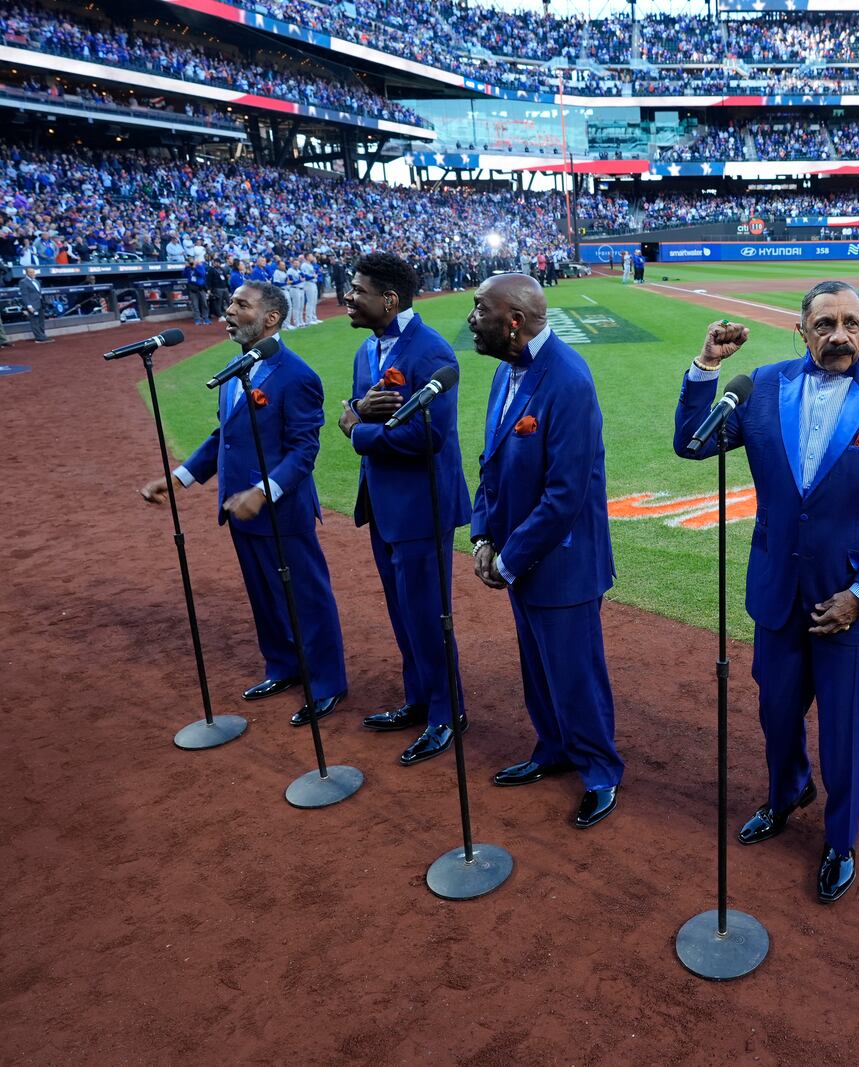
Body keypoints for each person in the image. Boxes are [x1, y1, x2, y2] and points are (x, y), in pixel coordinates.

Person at [673, 283, 859, 904]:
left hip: (849, 603)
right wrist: (707, 368)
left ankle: (840, 840)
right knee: (777, 713)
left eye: (851, 322)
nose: (838, 335)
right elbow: (692, 443)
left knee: (844, 731)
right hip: (778, 593)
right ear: (801, 328)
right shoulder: (760, 385)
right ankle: (788, 791)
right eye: (824, 323)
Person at [139, 281, 349, 726]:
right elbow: (225, 435)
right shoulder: (235, 366)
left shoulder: (298, 375)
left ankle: (327, 683)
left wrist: (264, 490)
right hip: (238, 507)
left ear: (271, 318)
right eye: (230, 303)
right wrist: (180, 478)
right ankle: (284, 667)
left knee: (305, 598)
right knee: (263, 596)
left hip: (280, 510)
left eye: (240, 305)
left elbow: (303, 452)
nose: (228, 310)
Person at [467, 273, 624, 830]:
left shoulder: (569, 380)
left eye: (480, 309)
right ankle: (553, 748)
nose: (471, 320)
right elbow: (490, 465)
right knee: (537, 668)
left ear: (513, 321)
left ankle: (600, 771)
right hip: (518, 554)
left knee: (574, 672)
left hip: (560, 560)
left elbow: (565, 494)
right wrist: (483, 534)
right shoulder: (505, 374)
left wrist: (507, 560)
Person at [336, 252, 472, 766]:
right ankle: (419, 700)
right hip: (384, 504)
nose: (348, 297)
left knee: (427, 614)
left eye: (357, 290)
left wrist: (358, 430)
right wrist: (359, 419)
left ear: (389, 300)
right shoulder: (365, 350)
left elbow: (428, 437)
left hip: (421, 507)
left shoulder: (431, 353)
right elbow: (355, 407)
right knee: (402, 612)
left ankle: (447, 713)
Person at [20, 267, 51, 343]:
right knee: (35, 321)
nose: (33, 273)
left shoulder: (37, 281)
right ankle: (39, 338)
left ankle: (42, 335)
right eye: (31, 272)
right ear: (27, 273)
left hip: (40, 304)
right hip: (32, 305)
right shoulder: (23, 282)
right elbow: (25, 295)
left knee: (41, 321)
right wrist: (29, 306)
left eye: (34, 272)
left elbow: (39, 293)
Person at [184, 256, 210, 325]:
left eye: (192, 260)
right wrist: (186, 267)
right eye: (190, 261)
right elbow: (184, 275)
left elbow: (202, 274)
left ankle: (206, 318)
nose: (191, 262)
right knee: (195, 305)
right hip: (193, 288)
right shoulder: (189, 268)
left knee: (204, 304)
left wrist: (195, 267)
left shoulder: (200, 266)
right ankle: (197, 319)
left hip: (201, 288)